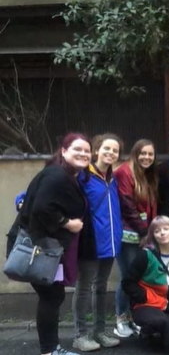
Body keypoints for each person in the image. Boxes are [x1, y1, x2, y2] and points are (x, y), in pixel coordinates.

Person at [18, 133, 91, 355]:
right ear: (64, 151)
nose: (83, 154)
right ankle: (50, 350)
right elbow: (41, 208)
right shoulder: (57, 175)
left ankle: (51, 348)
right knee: (52, 296)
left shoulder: (62, 175)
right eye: (77, 149)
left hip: (48, 248)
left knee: (53, 296)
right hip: (41, 248)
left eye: (87, 151)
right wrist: (68, 223)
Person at [73, 134, 124, 351]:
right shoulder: (82, 176)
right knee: (84, 288)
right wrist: (22, 200)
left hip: (110, 243)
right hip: (90, 242)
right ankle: (80, 335)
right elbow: (52, 190)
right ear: (96, 150)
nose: (111, 153)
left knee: (101, 288)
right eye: (107, 148)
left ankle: (99, 332)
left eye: (115, 150)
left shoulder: (113, 178)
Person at [122, 216, 169, 355]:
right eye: (157, 231)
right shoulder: (145, 255)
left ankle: (166, 332)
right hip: (146, 304)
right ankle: (146, 332)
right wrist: (143, 296)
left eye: (166, 229)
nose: (162, 233)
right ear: (152, 235)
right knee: (158, 320)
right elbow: (127, 283)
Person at [113, 139, 158, 337]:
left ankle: (132, 318)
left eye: (150, 154)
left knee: (136, 277)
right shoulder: (125, 172)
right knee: (127, 277)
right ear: (135, 153)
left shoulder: (147, 175)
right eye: (143, 153)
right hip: (128, 235)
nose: (147, 157)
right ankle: (121, 318)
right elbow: (127, 205)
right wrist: (144, 232)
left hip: (142, 234)